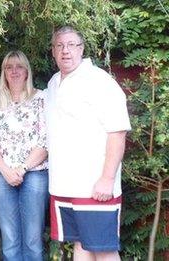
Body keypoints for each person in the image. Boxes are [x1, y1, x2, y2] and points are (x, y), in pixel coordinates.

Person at [45, 26, 131, 261]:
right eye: (60, 45)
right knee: (81, 245)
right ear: (53, 51)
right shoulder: (53, 83)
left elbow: (117, 131)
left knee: (103, 250)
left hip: (94, 186)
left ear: (81, 49)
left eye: (72, 45)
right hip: (64, 185)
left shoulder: (99, 81)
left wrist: (107, 178)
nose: (65, 51)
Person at [0, 50, 48, 260]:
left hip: (34, 173)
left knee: (32, 238)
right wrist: (5, 170)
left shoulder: (41, 98)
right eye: (9, 67)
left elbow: (46, 141)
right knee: (10, 238)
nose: (14, 71)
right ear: (3, 72)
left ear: (27, 71)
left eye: (19, 66)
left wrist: (21, 169)